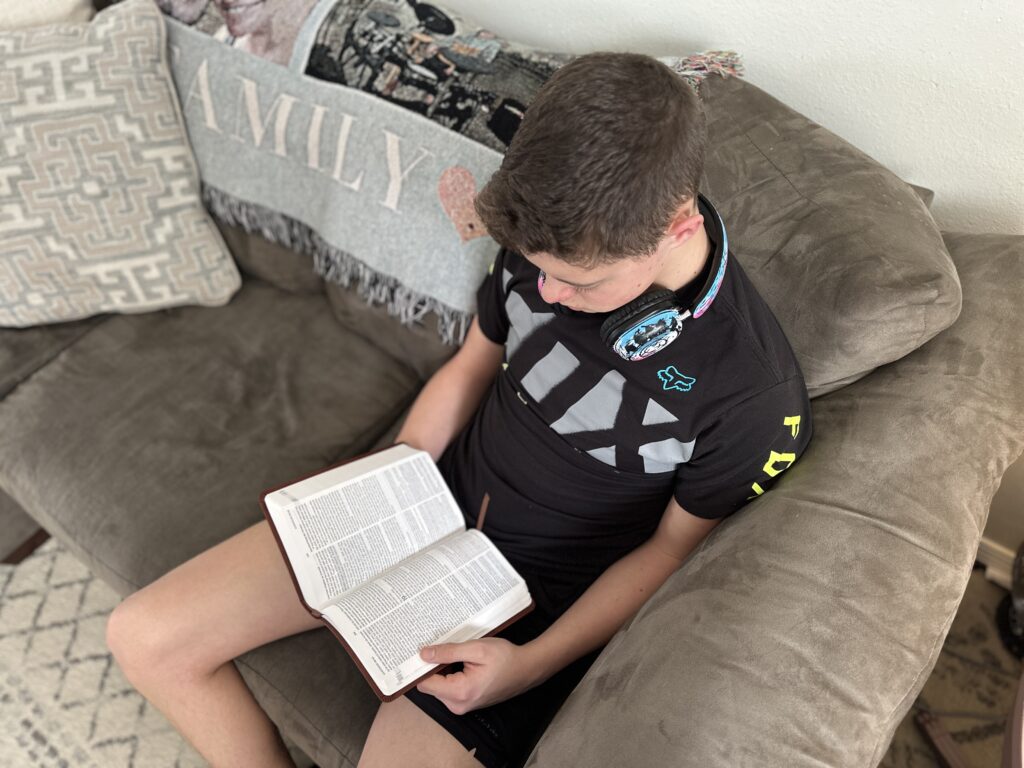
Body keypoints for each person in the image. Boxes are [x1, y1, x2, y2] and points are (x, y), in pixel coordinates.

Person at [105, 52, 813, 768]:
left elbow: (671, 550)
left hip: (535, 597)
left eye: (580, 283)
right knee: (144, 636)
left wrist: (530, 664)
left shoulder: (753, 396)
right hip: (428, 505)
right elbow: (473, 363)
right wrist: (396, 473)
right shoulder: (544, 241)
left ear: (678, 227)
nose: (550, 293)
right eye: (539, 270)